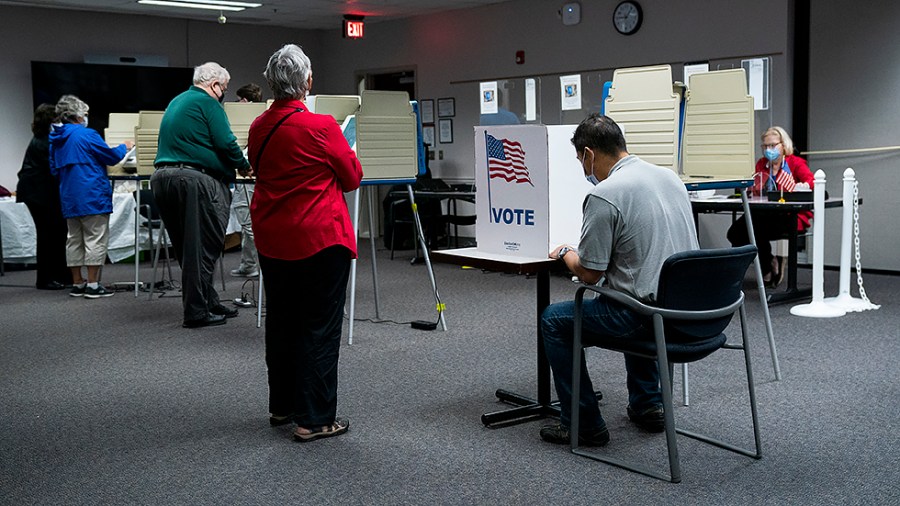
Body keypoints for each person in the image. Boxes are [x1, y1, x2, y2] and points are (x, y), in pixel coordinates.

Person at [539, 114, 699, 446]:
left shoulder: (606, 193)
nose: (584, 170)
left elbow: (589, 272)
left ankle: (583, 424)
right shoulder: (670, 178)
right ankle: (648, 403)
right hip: (691, 313)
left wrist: (566, 251)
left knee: (555, 320)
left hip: (646, 317)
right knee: (633, 285)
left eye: (581, 161)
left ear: (588, 154)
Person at [248, 44, 362, 442]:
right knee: (319, 326)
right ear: (308, 83)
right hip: (318, 238)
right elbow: (351, 178)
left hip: (272, 237)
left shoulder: (259, 127)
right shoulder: (322, 126)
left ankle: (282, 406)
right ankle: (314, 419)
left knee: (281, 322)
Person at [151, 62, 251, 328]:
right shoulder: (208, 103)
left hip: (163, 178)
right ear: (214, 85)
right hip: (195, 179)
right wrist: (243, 165)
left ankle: (208, 300)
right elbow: (225, 141)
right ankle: (196, 312)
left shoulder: (178, 101)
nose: (223, 95)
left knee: (187, 249)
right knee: (204, 248)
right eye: (224, 89)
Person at [49, 95, 132, 299]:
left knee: (74, 240)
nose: (87, 117)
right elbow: (111, 157)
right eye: (85, 114)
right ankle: (93, 285)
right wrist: (125, 146)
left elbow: (53, 169)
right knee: (96, 239)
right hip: (92, 194)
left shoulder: (56, 140)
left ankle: (78, 283)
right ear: (78, 115)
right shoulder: (87, 135)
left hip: (69, 196)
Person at [727, 126, 814, 288]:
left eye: (773, 145)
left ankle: (766, 269)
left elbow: (811, 182)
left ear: (783, 145)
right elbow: (755, 185)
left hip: (790, 216)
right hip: (764, 214)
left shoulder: (795, 163)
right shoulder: (762, 164)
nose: (769, 149)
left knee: (755, 228)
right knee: (735, 233)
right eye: (765, 146)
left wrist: (799, 186)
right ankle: (769, 262)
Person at [16, 103, 72, 290]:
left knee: (55, 232)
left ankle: (60, 275)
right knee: (49, 234)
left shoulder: (40, 138)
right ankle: (46, 278)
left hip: (35, 192)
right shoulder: (46, 142)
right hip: (40, 193)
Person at [230, 83, 264, 278]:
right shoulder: (261, 118)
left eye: (240, 99)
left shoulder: (249, 121)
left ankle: (256, 266)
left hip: (249, 177)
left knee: (248, 222)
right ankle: (248, 264)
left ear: (247, 101)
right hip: (251, 177)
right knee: (248, 224)